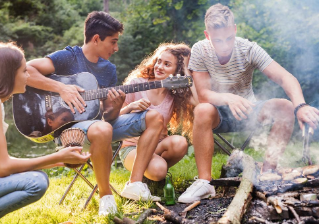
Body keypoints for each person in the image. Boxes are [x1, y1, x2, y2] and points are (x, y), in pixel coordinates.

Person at [178, 3, 319, 204]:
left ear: (235, 30)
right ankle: (204, 182)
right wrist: (229, 98)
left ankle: (267, 174)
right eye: (218, 40)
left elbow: (285, 78)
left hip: (249, 112)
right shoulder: (200, 50)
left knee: (285, 106)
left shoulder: (248, 48)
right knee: (202, 109)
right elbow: (203, 94)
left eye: (229, 38)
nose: (225, 45)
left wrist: (301, 106)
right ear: (207, 35)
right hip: (217, 114)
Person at [26, 11, 164, 214]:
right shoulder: (68, 57)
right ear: (97, 39)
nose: (116, 48)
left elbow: (107, 117)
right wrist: (62, 88)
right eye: (113, 42)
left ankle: (135, 183)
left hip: (98, 126)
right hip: (67, 129)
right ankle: (106, 197)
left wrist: (116, 106)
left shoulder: (108, 69)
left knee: (154, 117)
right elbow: (26, 71)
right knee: (101, 129)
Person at [0, 42, 90, 222]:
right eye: (24, 70)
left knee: (38, 177)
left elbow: (3, 163)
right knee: (36, 182)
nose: (28, 75)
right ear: (10, 74)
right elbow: (3, 168)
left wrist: (59, 161)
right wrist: (56, 157)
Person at [119, 43, 198, 199]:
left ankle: (147, 179)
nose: (159, 66)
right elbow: (112, 120)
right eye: (159, 61)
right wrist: (131, 107)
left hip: (157, 146)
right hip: (132, 148)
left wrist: (188, 73)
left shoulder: (174, 94)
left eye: (167, 64)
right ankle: (142, 179)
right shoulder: (136, 84)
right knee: (159, 170)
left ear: (177, 70)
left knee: (180, 142)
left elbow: (199, 103)